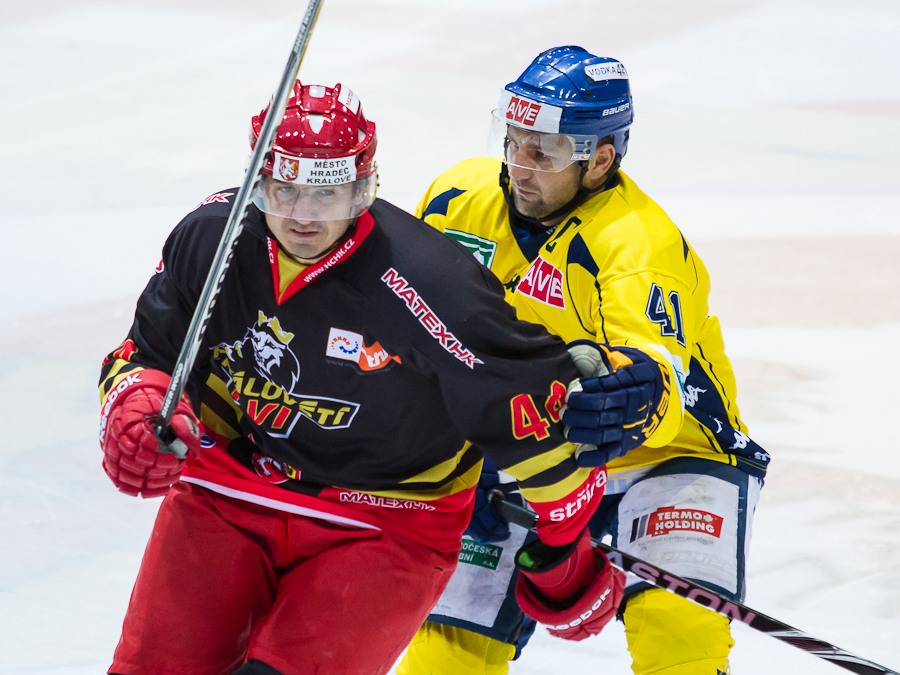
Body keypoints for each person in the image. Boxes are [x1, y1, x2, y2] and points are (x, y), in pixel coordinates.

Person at [96, 79, 671, 674]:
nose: (303, 217)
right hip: (228, 488)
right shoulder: (211, 240)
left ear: (363, 187)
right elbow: (149, 352)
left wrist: (563, 557)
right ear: (257, 180)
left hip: (386, 519)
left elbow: (533, 412)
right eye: (285, 190)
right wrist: (140, 404)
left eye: (327, 194)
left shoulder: (431, 282)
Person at [398, 46, 770, 675]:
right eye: (513, 142)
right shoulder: (456, 198)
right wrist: (454, 455)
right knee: (445, 659)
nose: (520, 166)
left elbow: (654, 375)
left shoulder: (637, 243)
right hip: (527, 449)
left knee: (676, 639)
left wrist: (631, 394)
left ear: (599, 159)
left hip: (671, 458)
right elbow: (407, 332)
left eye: (544, 153)